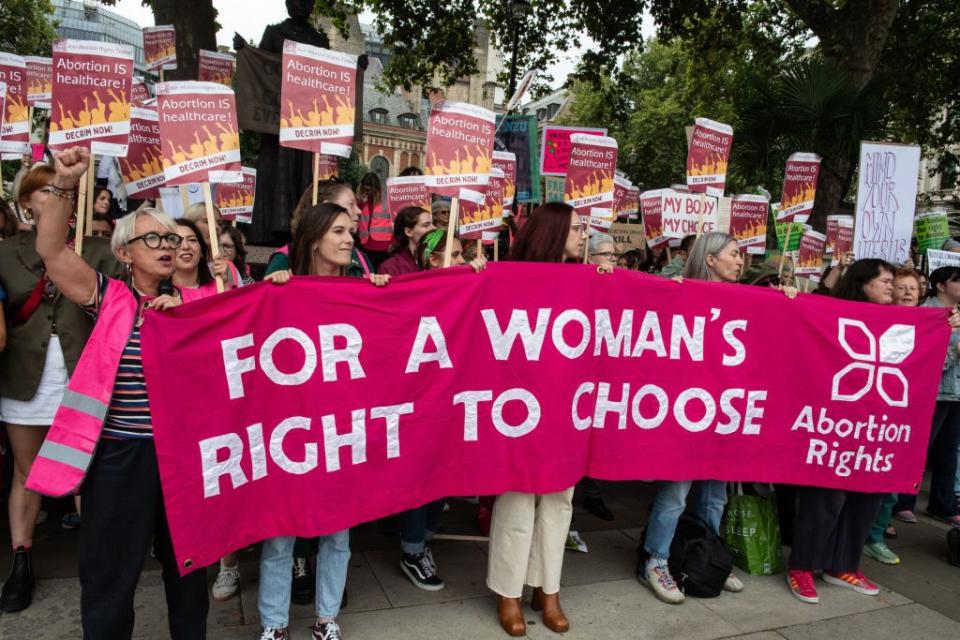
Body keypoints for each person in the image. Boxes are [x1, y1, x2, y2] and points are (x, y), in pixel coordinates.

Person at [24, 146, 209, 637]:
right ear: (124, 253)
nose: (167, 246)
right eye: (152, 238)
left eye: (171, 237)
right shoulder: (109, 297)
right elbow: (51, 252)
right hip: (120, 459)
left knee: (190, 575)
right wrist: (66, 182)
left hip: (184, 461)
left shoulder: (201, 305)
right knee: (109, 577)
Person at [788, 259, 960, 605]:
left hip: (879, 429)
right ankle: (802, 565)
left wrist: (948, 331)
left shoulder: (907, 324)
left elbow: (924, 370)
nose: (891, 287)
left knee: (868, 495)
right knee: (827, 498)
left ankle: (842, 565)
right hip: (835, 425)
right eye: (883, 281)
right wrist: (791, 299)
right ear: (862, 283)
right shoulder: (832, 311)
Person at [254, 202, 389, 640]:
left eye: (352, 230)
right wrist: (272, 291)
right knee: (279, 535)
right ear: (314, 239)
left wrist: (384, 294)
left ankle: (326, 619)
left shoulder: (363, 288)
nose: (350, 239)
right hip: (291, 431)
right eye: (339, 231)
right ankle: (273, 626)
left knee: (337, 535)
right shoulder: (282, 287)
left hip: (340, 433)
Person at [0, 163, 122, 613]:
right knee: (26, 472)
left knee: (89, 475)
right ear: (27, 201)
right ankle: (21, 560)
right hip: (24, 379)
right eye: (46, 191)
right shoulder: (4, 254)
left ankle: (99, 559)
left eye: (62, 191)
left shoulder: (99, 251)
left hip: (85, 380)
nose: (55, 197)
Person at [487, 202, 604, 637]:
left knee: (559, 500)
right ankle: (508, 592)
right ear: (553, 232)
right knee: (517, 497)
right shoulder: (513, 278)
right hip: (520, 405)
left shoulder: (587, 280)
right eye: (575, 228)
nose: (582, 235)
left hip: (567, 407)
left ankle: (548, 589)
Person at [641, 232, 746, 605]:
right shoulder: (678, 292)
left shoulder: (748, 300)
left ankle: (706, 554)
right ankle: (657, 559)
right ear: (711, 259)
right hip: (686, 410)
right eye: (733, 254)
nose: (740, 261)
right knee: (676, 492)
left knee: (716, 495)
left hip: (724, 411)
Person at [391, 229, 486, 591]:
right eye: (457, 255)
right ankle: (413, 548)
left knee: (442, 472)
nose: (463, 260)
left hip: (452, 396)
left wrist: (478, 275)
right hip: (417, 399)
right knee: (420, 476)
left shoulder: (464, 286)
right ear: (433, 260)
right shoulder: (411, 289)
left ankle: (425, 538)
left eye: (464, 254)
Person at [862, 268, 923, 564]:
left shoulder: (929, 326)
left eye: (915, 287)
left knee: (892, 482)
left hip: (904, 418)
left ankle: (873, 536)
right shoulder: (872, 319)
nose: (909, 292)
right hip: (868, 416)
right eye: (900, 286)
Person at [892, 266, 960, 529]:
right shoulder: (925, 315)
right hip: (931, 394)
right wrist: (954, 351)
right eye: (957, 281)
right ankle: (903, 502)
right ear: (941, 286)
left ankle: (943, 504)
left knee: (948, 453)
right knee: (918, 449)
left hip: (954, 395)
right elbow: (923, 362)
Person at [378, 206, 435, 277]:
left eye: (433, 224)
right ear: (408, 232)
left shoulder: (441, 258)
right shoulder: (389, 268)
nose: (434, 228)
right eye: (426, 225)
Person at [356, 172, 392, 263]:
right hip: (365, 243)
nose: (366, 192)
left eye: (368, 190)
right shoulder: (362, 199)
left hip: (383, 245)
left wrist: (393, 242)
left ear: (376, 188)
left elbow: (394, 221)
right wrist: (362, 202)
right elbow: (357, 214)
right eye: (364, 189)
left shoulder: (388, 199)